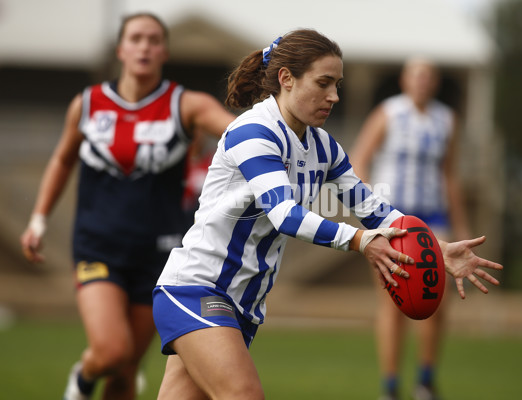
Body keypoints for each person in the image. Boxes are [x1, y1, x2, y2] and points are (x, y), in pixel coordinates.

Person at [151, 29, 502, 400]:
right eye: (323, 83)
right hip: (197, 289)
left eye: (337, 84)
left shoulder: (322, 145)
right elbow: (284, 213)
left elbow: (371, 208)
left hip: (243, 305)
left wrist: (432, 247)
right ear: (286, 78)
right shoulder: (253, 132)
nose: (333, 96)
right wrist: (359, 241)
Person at [19, 12, 235, 400]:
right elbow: (62, 160)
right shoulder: (88, 104)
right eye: (136, 38)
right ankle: (83, 377)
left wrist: (280, 137)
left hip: (160, 255)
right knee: (111, 351)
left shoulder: (184, 104)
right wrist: (38, 220)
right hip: (98, 246)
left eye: (154, 40)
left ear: (164, 51)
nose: (145, 47)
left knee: (126, 371)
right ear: (121, 48)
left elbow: (237, 134)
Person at [350, 58, 472, 400]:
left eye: (428, 75)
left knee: (435, 300)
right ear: (405, 79)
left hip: (433, 219)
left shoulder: (446, 120)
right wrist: (370, 208)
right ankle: (389, 386)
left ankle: (426, 382)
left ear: (434, 82)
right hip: (395, 220)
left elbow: (450, 175)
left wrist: (461, 223)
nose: (422, 81)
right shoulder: (387, 114)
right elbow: (358, 161)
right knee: (393, 301)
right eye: (416, 74)